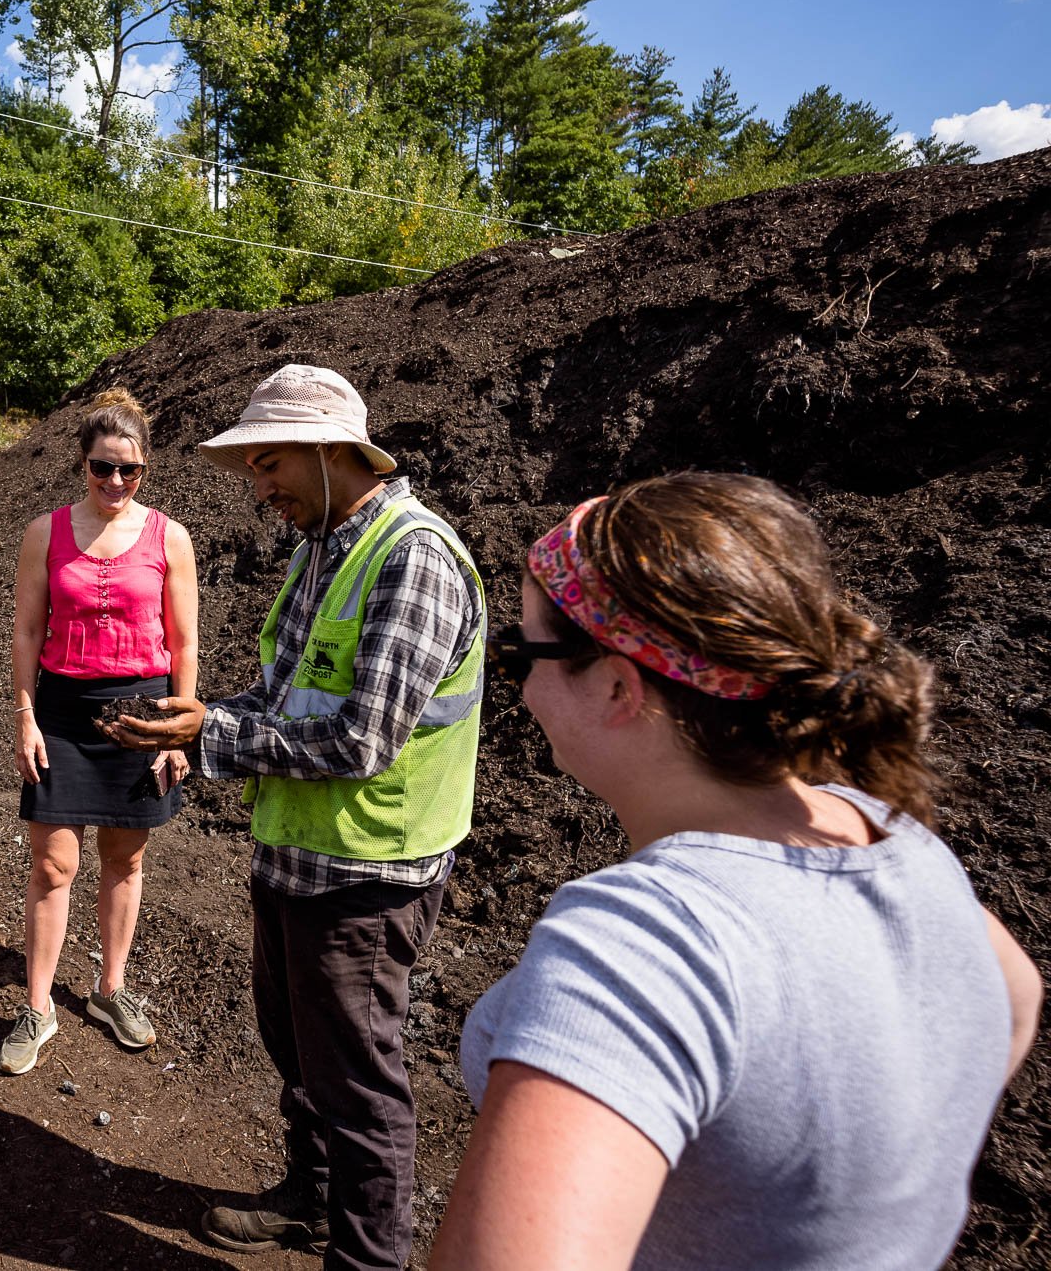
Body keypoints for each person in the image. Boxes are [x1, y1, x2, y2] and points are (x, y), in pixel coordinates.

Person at [427, 473, 1043, 1270]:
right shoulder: (891, 839)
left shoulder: (648, 938)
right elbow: (1017, 993)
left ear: (618, 684)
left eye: (520, 656)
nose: (519, 690)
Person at [106, 365, 486, 1270]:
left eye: (270, 464)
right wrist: (190, 732)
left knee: (357, 1085)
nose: (261, 489)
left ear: (329, 452)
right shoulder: (324, 545)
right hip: (297, 853)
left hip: (367, 874)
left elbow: (362, 741)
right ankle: (309, 1202)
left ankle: (367, 1260)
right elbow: (285, 694)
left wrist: (218, 733)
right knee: (299, 1053)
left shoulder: (411, 558)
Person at [0, 388, 198, 1076]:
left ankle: (111, 988)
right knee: (54, 864)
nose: (115, 482)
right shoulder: (44, 532)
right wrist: (24, 714)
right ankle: (38, 1004)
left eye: (129, 470)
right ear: (81, 463)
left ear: (145, 468)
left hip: (140, 712)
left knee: (126, 858)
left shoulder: (169, 536)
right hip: (62, 708)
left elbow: (185, 642)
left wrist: (176, 730)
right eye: (102, 467)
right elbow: (26, 631)